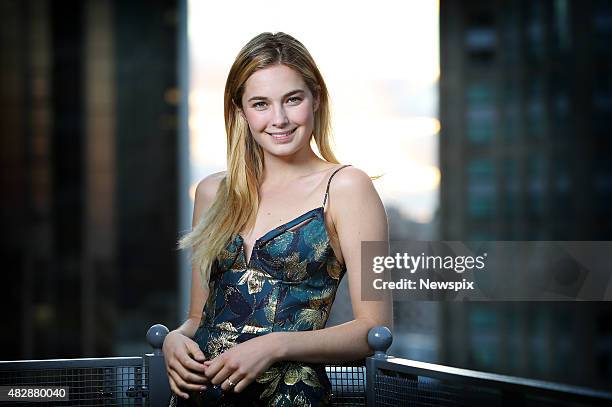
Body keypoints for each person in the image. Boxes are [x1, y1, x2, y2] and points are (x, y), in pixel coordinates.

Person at [163, 32, 392, 406]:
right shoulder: (212, 192)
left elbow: (374, 328)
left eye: (292, 99)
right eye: (260, 104)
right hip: (199, 395)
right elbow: (196, 316)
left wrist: (275, 345)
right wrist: (176, 339)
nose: (279, 119)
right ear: (240, 111)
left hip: (290, 397)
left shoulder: (348, 188)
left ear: (315, 98)